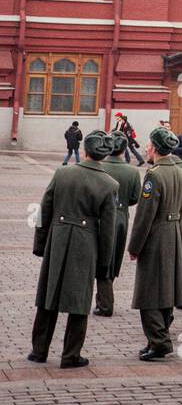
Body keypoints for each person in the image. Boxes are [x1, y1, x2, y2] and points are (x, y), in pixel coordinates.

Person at [29, 129, 118, 369]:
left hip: (57, 238)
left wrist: (40, 244)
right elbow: (108, 229)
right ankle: (70, 355)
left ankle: (39, 350)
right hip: (86, 243)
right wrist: (104, 263)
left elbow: (44, 209)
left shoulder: (62, 173)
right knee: (79, 300)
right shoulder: (109, 184)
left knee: (48, 295)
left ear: (84, 150)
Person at [128, 126, 182, 361]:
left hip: (157, 237)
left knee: (149, 291)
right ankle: (156, 339)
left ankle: (159, 341)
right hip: (176, 233)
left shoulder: (154, 175)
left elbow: (145, 215)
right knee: (167, 290)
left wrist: (134, 247)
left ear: (155, 148)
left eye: (148, 144)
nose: (146, 147)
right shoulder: (180, 171)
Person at [94, 130, 142, 316]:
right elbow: (134, 197)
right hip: (121, 217)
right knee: (113, 259)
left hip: (100, 217)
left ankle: (105, 303)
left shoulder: (100, 167)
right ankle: (104, 297)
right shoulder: (132, 171)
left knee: (101, 259)